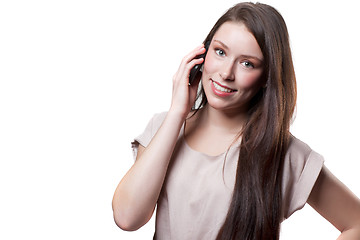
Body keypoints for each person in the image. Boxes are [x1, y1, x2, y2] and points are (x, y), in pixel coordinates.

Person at [112, 2, 360, 239]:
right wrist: (178, 112)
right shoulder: (164, 127)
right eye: (220, 52)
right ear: (202, 54)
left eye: (247, 63)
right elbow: (127, 218)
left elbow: (356, 223)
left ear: (267, 77)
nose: (226, 73)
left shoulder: (287, 154)